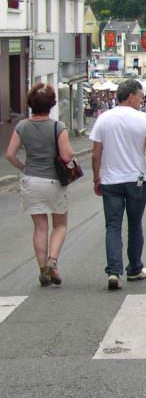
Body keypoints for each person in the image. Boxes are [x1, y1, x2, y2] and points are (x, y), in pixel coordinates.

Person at [89, 79, 146, 290]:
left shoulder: (104, 119)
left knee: (112, 226)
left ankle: (113, 271)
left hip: (111, 180)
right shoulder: (144, 119)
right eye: (139, 96)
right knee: (134, 224)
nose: (141, 100)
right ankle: (135, 268)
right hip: (136, 179)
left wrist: (96, 178)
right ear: (130, 96)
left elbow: (96, 154)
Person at [4, 83, 76, 287]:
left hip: (31, 180)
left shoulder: (22, 126)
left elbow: (10, 154)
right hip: (53, 181)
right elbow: (67, 155)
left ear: (30, 104)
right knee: (60, 224)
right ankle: (53, 261)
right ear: (51, 104)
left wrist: (23, 166)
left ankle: (42, 268)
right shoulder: (57, 127)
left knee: (39, 228)